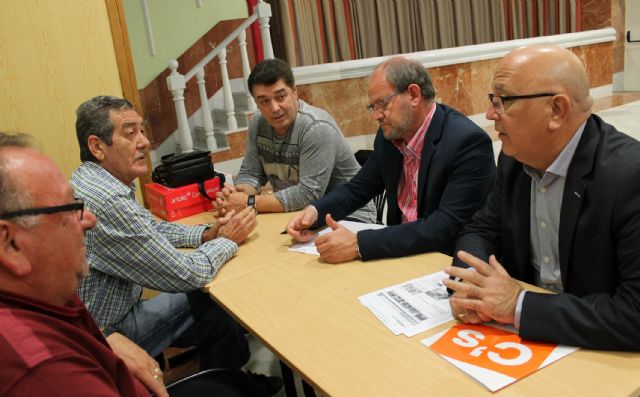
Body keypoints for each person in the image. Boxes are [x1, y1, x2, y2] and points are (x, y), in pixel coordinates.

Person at [71, 96, 281, 394]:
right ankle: (233, 387)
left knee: (213, 309)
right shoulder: (108, 200)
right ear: (97, 146)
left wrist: (205, 233)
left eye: (142, 131)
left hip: (96, 323)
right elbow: (188, 274)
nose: (143, 142)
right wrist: (226, 240)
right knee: (212, 299)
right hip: (107, 333)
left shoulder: (93, 181)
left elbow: (148, 226)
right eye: (130, 133)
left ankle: (235, 381)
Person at [443, 45, 640, 350]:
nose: (490, 114)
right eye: (491, 100)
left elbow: (634, 314)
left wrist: (517, 305)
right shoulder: (514, 159)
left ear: (556, 110)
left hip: (599, 353)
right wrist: (473, 287)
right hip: (525, 342)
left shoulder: (629, 177)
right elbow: (483, 229)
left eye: (503, 100)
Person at [286, 57, 496, 263]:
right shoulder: (390, 136)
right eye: (373, 107)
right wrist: (314, 212)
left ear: (414, 95)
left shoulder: (467, 143)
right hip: (399, 255)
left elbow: (445, 226)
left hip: (443, 261)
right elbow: (358, 189)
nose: (376, 116)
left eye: (382, 103)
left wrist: (360, 243)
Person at [0, 132, 159, 396]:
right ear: (11, 244)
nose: (89, 220)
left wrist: (105, 337)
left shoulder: (43, 289)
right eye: (68, 209)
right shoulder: (47, 373)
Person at [215, 58, 376, 222]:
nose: (274, 108)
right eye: (264, 101)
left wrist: (249, 202)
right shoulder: (258, 123)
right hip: (298, 215)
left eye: (280, 96)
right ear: (256, 103)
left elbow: (308, 194)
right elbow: (251, 172)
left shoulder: (315, 127)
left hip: (351, 217)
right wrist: (237, 195)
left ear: (294, 92)